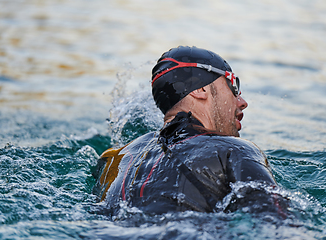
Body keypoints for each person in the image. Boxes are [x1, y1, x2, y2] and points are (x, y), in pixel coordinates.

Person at [92, 46, 284, 215]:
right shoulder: (235, 150)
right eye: (234, 86)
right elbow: (277, 221)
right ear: (199, 89)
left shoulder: (115, 158)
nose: (242, 102)